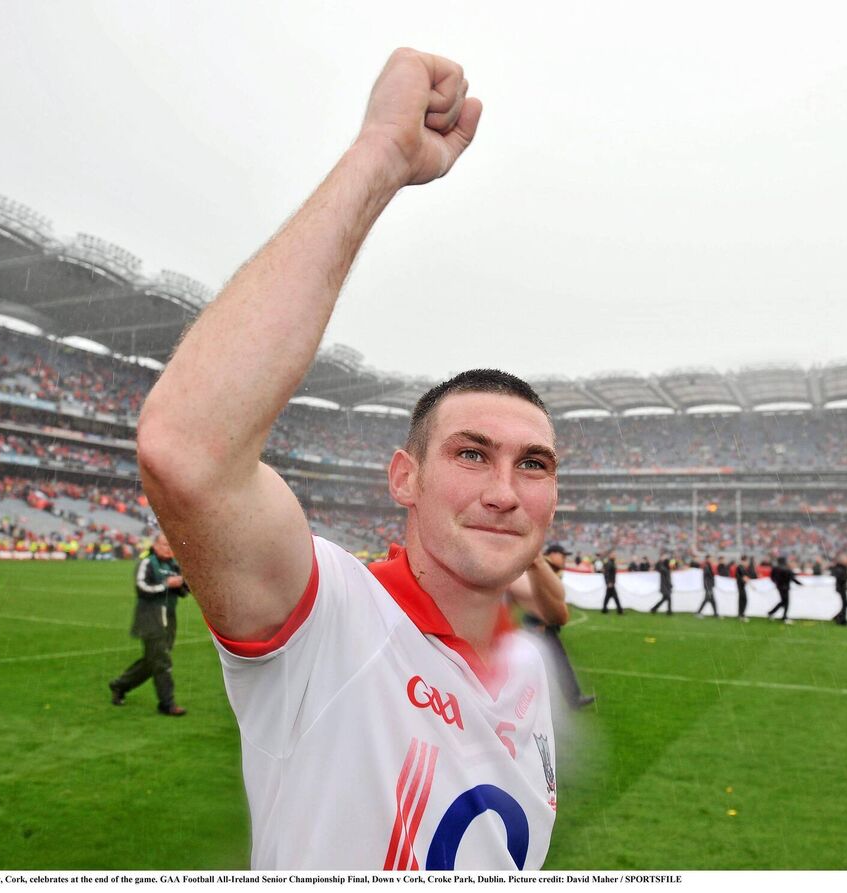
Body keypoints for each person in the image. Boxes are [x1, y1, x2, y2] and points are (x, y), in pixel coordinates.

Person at [138, 49, 560, 870]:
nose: (505, 491)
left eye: (534, 464)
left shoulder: (525, 675)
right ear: (404, 476)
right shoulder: (334, 619)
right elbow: (186, 451)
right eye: (472, 454)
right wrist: (381, 156)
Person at [108, 533, 188, 716]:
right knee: (162, 662)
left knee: (153, 661)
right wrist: (166, 584)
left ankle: (119, 685)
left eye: (170, 545)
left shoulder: (173, 565)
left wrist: (185, 583)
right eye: (164, 544)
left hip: (169, 618)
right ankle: (167, 704)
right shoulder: (148, 563)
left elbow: (183, 592)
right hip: (150, 619)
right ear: (155, 545)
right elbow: (142, 588)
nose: (168, 548)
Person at [519, 544, 595, 709]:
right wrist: (537, 622)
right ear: (552, 554)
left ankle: (571, 699)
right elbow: (534, 596)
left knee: (552, 664)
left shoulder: (548, 568)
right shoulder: (540, 567)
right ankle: (571, 699)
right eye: (562, 555)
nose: (565, 559)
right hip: (539, 627)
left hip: (544, 626)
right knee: (554, 664)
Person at [767, 556, 801, 624]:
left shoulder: (775, 568)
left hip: (779, 587)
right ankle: (784, 616)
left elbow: (772, 577)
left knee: (783, 601)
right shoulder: (787, 569)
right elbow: (792, 578)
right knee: (786, 602)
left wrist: (776, 583)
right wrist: (800, 584)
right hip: (785, 587)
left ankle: (772, 613)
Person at [830, 555, 847, 626]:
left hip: (842, 588)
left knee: (845, 604)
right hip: (841, 588)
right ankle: (841, 619)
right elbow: (841, 577)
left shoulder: (841, 568)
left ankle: (839, 617)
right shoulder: (840, 568)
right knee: (846, 604)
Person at [735, 555, 751, 622]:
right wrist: (752, 585)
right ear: (744, 561)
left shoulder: (741, 567)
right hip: (740, 586)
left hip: (741, 586)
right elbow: (744, 577)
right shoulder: (740, 567)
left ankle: (740, 614)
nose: (748, 563)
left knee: (742, 600)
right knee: (743, 600)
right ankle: (741, 615)